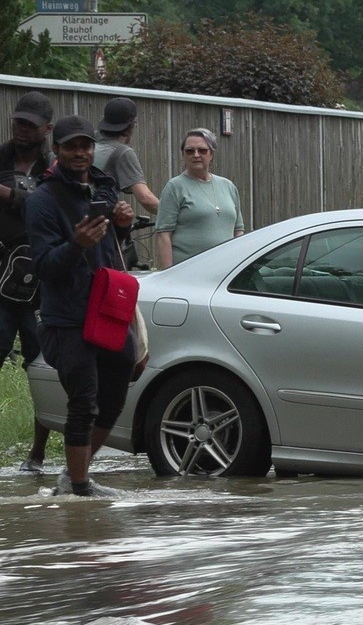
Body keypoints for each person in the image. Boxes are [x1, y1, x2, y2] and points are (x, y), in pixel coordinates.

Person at [25, 115, 136, 496]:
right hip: (67, 317)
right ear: (56, 150)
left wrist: (122, 224)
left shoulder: (105, 188)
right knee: (83, 402)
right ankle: (79, 488)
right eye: (71, 146)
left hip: (108, 310)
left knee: (114, 397)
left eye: (85, 146)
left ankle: (74, 475)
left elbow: (113, 250)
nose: (79, 153)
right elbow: (43, 266)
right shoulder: (43, 200)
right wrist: (76, 245)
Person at [0, 91, 55, 473]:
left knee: (42, 368)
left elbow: (41, 204)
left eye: (30, 125)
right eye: (18, 121)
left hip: (39, 283)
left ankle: (37, 454)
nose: (21, 129)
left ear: (46, 129)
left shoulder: (54, 167)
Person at [155, 128, 244, 268]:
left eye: (202, 150)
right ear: (183, 155)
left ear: (211, 154)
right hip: (189, 272)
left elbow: (238, 231)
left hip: (226, 270)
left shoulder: (228, 186)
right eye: (190, 151)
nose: (196, 155)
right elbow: (163, 234)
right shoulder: (175, 187)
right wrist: (168, 273)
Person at [94, 97, 160, 216]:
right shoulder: (122, 152)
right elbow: (146, 198)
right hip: (95, 223)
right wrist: (176, 217)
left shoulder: (88, 140)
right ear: (130, 126)